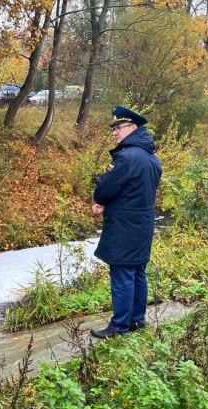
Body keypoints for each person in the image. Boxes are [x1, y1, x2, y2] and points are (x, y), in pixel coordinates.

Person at [90, 106, 162, 339]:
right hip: (143, 223)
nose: (114, 133)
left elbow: (106, 186)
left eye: (118, 128)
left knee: (122, 275)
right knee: (137, 272)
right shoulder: (152, 158)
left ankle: (119, 326)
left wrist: (100, 201)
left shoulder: (127, 157)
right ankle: (136, 321)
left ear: (133, 128)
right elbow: (135, 191)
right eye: (114, 129)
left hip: (124, 226)